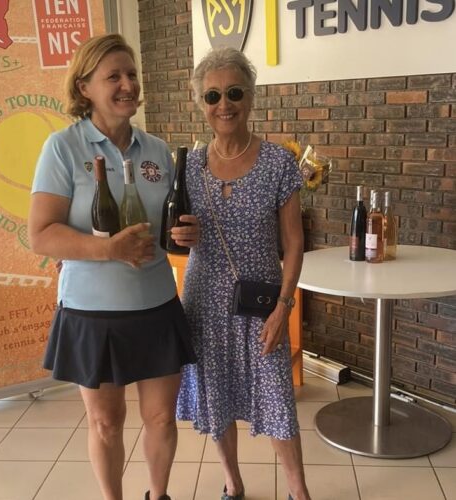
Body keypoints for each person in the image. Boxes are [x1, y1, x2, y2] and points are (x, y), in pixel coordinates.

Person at [28, 34, 199, 500]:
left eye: (132, 75)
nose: (128, 85)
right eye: (114, 77)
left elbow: (169, 225)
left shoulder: (157, 150)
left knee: (161, 418)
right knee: (106, 422)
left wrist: (185, 235)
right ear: (84, 87)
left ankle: (158, 495)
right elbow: (41, 234)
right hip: (92, 311)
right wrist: (109, 250)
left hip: (156, 304)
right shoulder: (63, 148)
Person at [175, 47, 311, 500]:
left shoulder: (278, 163)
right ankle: (233, 484)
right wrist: (180, 236)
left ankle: (298, 491)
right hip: (204, 303)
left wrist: (284, 306)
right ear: (202, 104)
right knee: (216, 398)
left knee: (277, 399)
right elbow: (171, 235)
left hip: (262, 305)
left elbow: (294, 244)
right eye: (212, 95)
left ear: (251, 97)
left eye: (234, 92)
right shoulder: (189, 167)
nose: (224, 104)